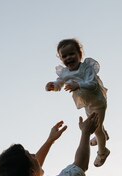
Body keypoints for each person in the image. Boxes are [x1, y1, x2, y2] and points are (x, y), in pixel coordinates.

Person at [45, 38, 110, 168]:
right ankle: (102, 133)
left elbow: (92, 84)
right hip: (87, 103)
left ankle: (103, 152)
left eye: (72, 54)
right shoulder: (65, 72)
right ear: (61, 59)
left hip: (98, 102)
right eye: (65, 56)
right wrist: (53, 86)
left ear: (80, 54)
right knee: (97, 125)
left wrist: (78, 85)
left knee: (96, 129)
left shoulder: (86, 68)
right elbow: (60, 82)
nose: (68, 58)